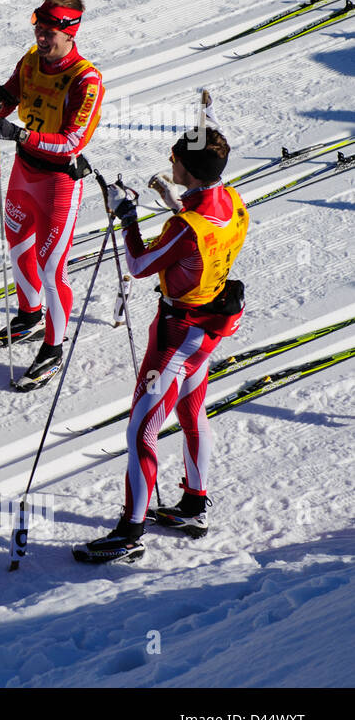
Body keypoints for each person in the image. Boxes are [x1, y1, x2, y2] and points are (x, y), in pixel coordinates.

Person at [74, 127, 249, 563]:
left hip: (177, 334)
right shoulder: (232, 201)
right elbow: (205, 230)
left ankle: (130, 531)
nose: (170, 163)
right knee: (192, 412)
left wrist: (127, 217)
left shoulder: (183, 228)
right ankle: (193, 505)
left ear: (186, 168)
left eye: (175, 158)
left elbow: (138, 264)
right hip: (211, 321)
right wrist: (176, 202)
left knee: (140, 430)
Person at [0, 0, 106, 391]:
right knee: (17, 245)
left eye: (49, 31)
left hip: (58, 181)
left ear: (70, 33)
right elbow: (12, 94)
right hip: (23, 171)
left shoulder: (86, 80)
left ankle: (53, 347)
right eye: (38, 27)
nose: (41, 37)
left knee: (52, 268)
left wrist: (18, 132)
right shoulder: (31, 60)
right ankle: (29, 316)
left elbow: (72, 141)